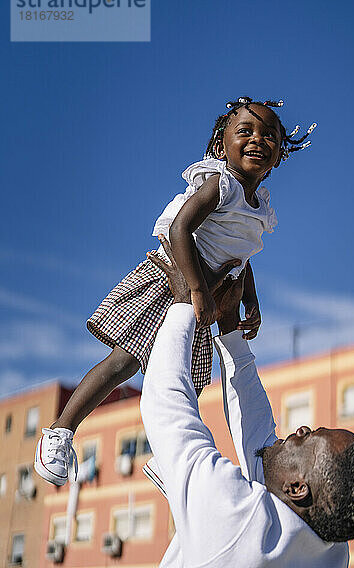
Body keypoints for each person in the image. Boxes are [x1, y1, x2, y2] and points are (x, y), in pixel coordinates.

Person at [34, 96, 317, 486]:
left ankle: (167, 457)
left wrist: (251, 299)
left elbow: (241, 256)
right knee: (124, 362)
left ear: (279, 156)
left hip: (208, 293)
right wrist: (197, 290)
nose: (258, 139)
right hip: (176, 281)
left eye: (270, 135)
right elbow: (179, 228)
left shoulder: (259, 207)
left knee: (186, 381)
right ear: (221, 145)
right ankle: (60, 429)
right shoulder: (221, 184)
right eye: (246, 131)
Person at [140, 237, 354, 567]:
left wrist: (186, 301)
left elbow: (166, 406)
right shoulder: (329, 545)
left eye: (307, 438)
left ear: (298, 488)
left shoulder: (238, 523)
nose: (300, 429)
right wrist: (230, 325)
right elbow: (260, 439)